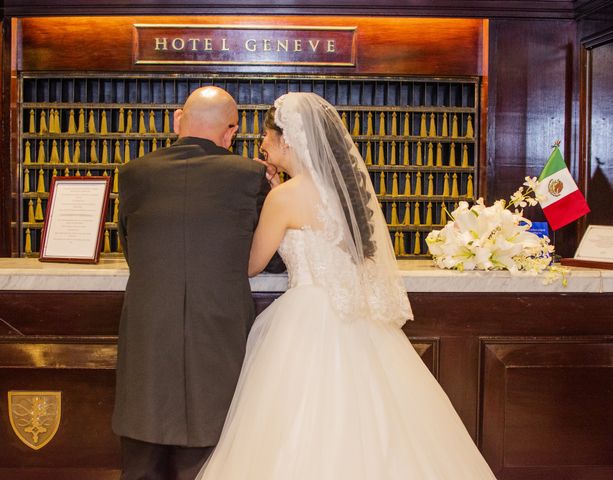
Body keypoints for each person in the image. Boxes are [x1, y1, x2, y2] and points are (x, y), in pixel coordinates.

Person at [195, 92, 497, 479]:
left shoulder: (284, 197)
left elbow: (252, 263)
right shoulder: (347, 195)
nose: (262, 146)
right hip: (357, 318)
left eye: (267, 137)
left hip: (303, 320)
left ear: (288, 139)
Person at [112, 86, 284, 480]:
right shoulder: (249, 175)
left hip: (148, 335)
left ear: (178, 120)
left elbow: (130, 247)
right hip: (218, 334)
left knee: (142, 456)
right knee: (215, 450)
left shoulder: (134, 173)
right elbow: (269, 257)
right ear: (231, 132)